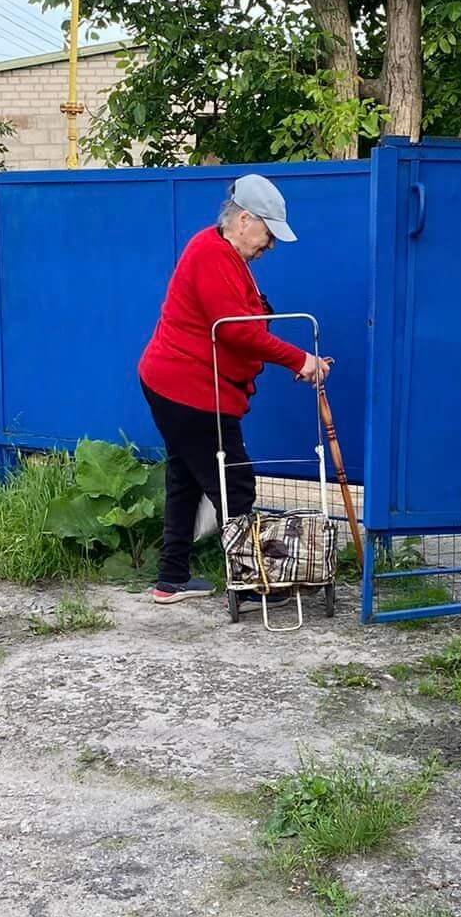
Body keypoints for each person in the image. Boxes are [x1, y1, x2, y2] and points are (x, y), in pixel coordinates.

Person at [138, 173, 332, 605]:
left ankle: (171, 580)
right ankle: (253, 583)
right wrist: (299, 359)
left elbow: (246, 325)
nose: (270, 245)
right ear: (245, 219)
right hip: (189, 388)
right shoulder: (212, 254)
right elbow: (238, 332)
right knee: (235, 484)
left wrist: (286, 359)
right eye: (268, 233)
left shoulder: (223, 253)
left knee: (186, 478)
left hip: (179, 383)